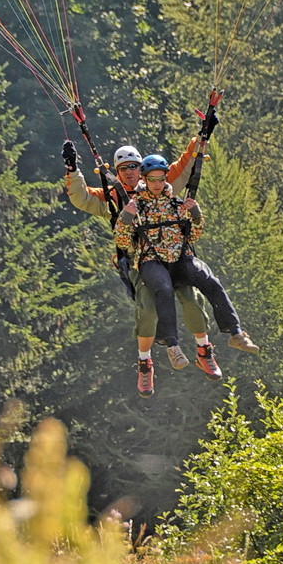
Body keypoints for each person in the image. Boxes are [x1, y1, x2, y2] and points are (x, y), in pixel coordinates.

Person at [62, 136, 214, 398]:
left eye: (134, 166)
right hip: (139, 261)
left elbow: (185, 165)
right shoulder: (112, 197)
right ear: (118, 172)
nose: (129, 172)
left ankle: (204, 350)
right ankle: (145, 363)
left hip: (173, 255)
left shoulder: (160, 183)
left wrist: (201, 137)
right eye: (123, 169)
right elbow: (81, 197)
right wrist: (72, 170)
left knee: (191, 299)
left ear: (141, 169)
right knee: (148, 308)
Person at [115, 154, 258, 376]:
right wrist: (126, 217)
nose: (157, 184)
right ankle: (172, 346)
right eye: (152, 179)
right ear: (144, 180)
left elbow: (193, 236)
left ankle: (236, 332)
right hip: (152, 261)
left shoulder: (177, 204)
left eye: (161, 179)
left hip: (180, 258)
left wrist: (196, 215)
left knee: (209, 279)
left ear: (166, 179)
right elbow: (123, 242)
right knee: (163, 289)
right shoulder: (137, 207)